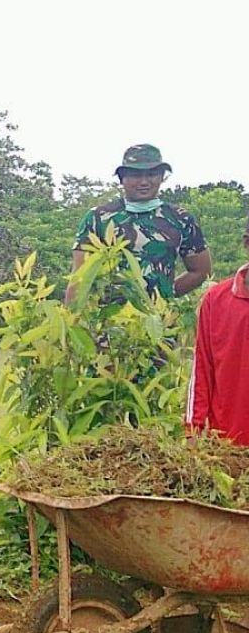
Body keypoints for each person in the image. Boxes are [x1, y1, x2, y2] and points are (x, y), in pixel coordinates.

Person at [68, 144, 211, 303]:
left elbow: (200, 271)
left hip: (159, 321)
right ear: (122, 178)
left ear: (162, 176)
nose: (144, 182)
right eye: (136, 175)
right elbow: (79, 278)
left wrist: (166, 295)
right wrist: (71, 320)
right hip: (108, 321)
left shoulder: (180, 218)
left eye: (151, 174)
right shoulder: (99, 218)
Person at [186, 220, 249, 446]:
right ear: (246, 243)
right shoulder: (217, 300)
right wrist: (193, 429)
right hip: (228, 445)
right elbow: (202, 368)